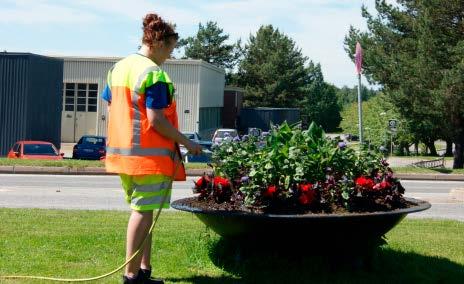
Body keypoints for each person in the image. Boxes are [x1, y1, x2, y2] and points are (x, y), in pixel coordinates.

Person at [102, 13, 202, 284]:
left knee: (143, 212)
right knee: (142, 213)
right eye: (170, 49)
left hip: (124, 157)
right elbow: (156, 119)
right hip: (148, 158)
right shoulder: (154, 74)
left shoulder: (118, 68)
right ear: (158, 43)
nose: (169, 55)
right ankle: (131, 276)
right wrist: (188, 143)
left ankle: (144, 270)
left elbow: (112, 107)